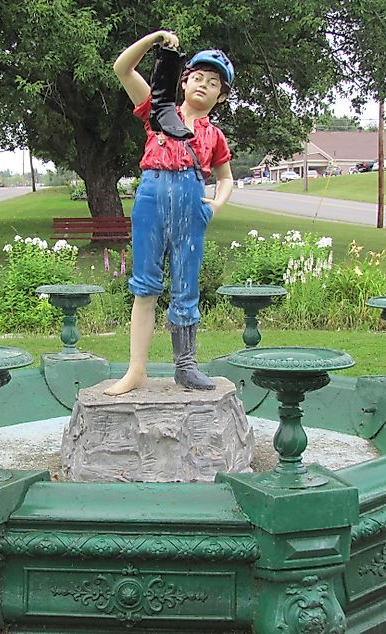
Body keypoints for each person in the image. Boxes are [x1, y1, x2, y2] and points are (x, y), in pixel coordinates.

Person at [105, 30, 234, 396]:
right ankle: (136, 370)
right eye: (197, 78)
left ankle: (186, 365)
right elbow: (123, 68)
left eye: (213, 83)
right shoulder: (159, 112)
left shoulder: (215, 136)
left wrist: (217, 203)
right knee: (145, 286)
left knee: (185, 286)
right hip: (151, 198)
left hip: (191, 206)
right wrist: (154, 40)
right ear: (183, 80)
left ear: (220, 96)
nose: (203, 86)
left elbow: (226, 178)